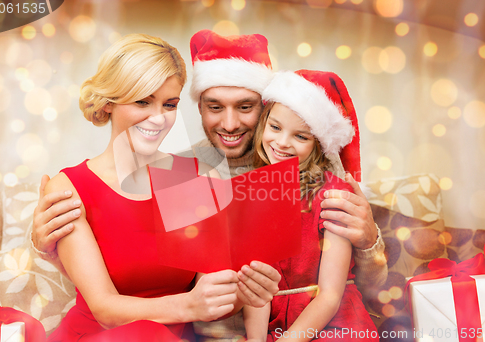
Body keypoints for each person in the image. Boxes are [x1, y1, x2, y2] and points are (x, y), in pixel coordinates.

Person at [32, 30, 387, 340]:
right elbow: (109, 297)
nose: (230, 123)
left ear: (266, 109)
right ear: (199, 107)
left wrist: (370, 240)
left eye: (169, 104)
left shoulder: (189, 178)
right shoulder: (190, 171)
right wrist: (47, 246)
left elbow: (218, 284)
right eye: (215, 106)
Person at [42, 33, 280, 342]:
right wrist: (189, 306)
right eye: (143, 101)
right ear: (110, 102)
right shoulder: (71, 187)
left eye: (169, 104)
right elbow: (105, 309)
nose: (158, 118)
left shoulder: (196, 179)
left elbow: (213, 296)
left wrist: (247, 291)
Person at [244, 69, 379, 342]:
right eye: (275, 127)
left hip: (336, 325)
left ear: (318, 144)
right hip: (277, 327)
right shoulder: (251, 194)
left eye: (301, 137)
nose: (282, 143)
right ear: (263, 124)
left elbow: (329, 296)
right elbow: (256, 290)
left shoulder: (333, 196)